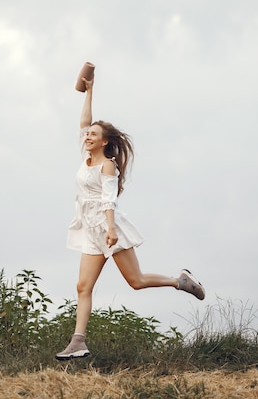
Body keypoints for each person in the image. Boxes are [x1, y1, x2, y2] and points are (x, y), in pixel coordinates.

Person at [55, 75, 205, 361]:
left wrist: (111, 229)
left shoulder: (107, 166)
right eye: (87, 135)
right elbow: (83, 122)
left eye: (93, 135)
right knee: (83, 287)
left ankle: (179, 281)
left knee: (135, 281)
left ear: (105, 142)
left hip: (110, 228)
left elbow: (108, 199)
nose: (87, 136)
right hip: (90, 230)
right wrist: (89, 91)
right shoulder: (85, 156)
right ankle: (78, 342)